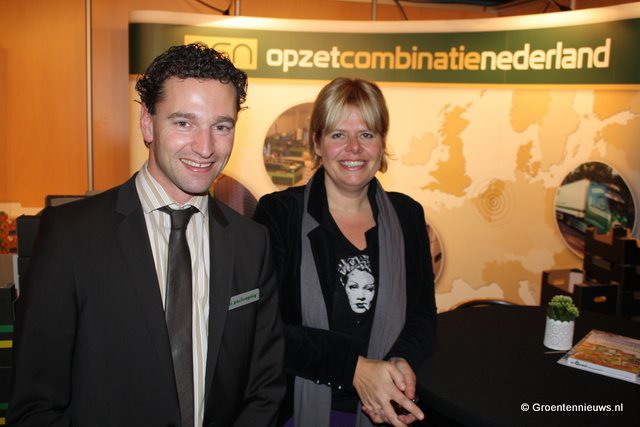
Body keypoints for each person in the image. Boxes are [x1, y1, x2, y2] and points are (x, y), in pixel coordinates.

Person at [8, 43, 285, 427]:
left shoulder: (251, 243)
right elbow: (36, 407)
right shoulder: (69, 236)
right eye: (184, 123)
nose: (205, 147)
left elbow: (265, 388)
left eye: (221, 126)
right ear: (147, 123)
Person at [253, 77, 437, 427]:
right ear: (317, 143)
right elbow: (265, 327)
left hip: (388, 409)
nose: (354, 148)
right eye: (338, 135)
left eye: (366, 134)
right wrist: (355, 369)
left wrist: (401, 360)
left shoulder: (408, 216)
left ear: (382, 143)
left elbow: (423, 312)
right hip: (299, 411)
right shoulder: (279, 214)